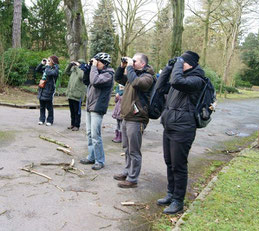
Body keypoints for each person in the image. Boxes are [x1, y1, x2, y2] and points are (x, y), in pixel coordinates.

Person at [157, 51, 205, 215]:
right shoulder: (179, 78)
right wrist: (168, 67)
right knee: (169, 162)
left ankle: (178, 200)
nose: (179, 64)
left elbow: (177, 81)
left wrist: (178, 64)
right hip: (170, 126)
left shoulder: (196, 80)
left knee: (179, 165)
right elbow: (160, 86)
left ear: (190, 64)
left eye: (182, 62)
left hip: (183, 129)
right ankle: (170, 194)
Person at [113, 53, 156, 188]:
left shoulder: (147, 77)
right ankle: (127, 171)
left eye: (135, 61)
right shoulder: (133, 74)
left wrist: (130, 68)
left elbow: (137, 83)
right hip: (127, 116)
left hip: (137, 119)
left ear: (142, 64)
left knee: (134, 150)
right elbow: (118, 78)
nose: (132, 63)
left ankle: (133, 179)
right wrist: (122, 67)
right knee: (126, 147)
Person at [79, 52, 114, 170]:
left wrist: (93, 68)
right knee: (89, 133)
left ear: (103, 63)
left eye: (97, 62)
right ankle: (91, 157)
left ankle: (100, 160)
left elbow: (95, 81)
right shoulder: (96, 72)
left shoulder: (108, 74)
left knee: (95, 135)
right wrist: (87, 69)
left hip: (97, 108)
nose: (95, 63)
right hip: (90, 107)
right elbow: (87, 81)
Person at [36, 55, 60, 126]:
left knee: (49, 107)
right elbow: (37, 70)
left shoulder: (55, 69)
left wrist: (47, 66)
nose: (48, 62)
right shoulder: (46, 68)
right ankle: (41, 119)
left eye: (49, 61)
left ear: (53, 62)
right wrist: (42, 64)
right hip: (42, 89)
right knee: (42, 106)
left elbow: (51, 73)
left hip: (49, 89)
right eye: (48, 60)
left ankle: (50, 120)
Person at [64, 59, 87, 131]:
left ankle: (77, 125)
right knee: (72, 111)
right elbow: (66, 72)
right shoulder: (74, 70)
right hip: (71, 94)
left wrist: (78, 67)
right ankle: (72, 124)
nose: (77, 64)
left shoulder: (83, 71)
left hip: (78, 95)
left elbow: (81, 76)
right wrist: (70, 65)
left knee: (77, 111)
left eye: (79, 63)